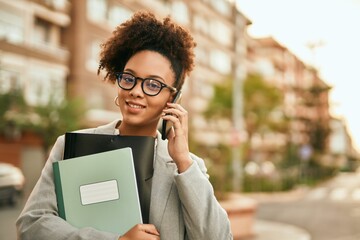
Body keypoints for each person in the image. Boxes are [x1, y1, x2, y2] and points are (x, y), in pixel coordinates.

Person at [16, 11, 232, 240]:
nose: (136, 91)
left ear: (172, 99)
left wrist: (183, 161)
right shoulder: (71, 146)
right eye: (129, 78)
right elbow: (31, 224)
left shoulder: (188, 166)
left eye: (153, 84)